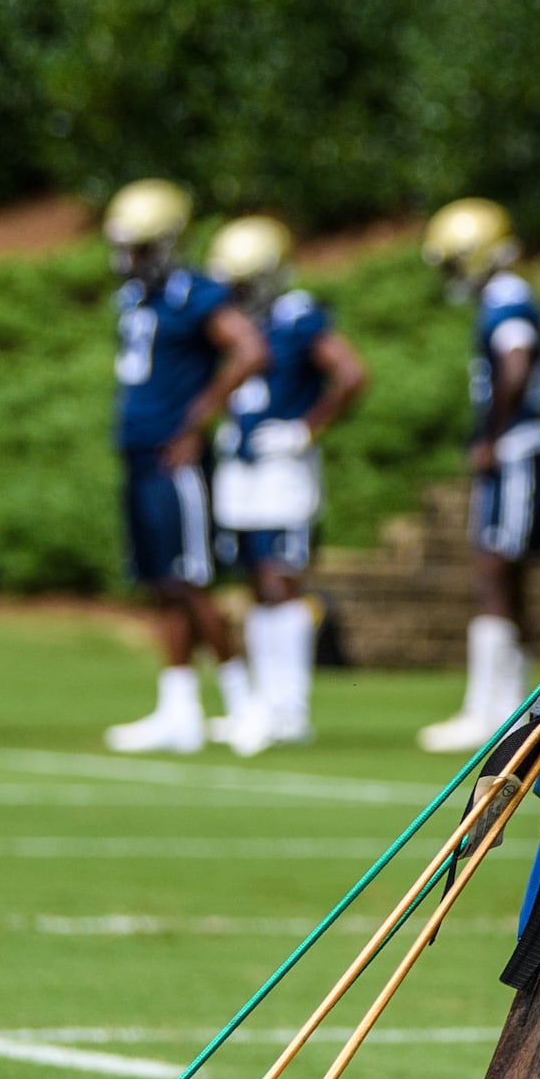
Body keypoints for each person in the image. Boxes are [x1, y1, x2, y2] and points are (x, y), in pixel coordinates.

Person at [100, 180, 268, 755]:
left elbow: (249, 349)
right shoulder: (139, 299)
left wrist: (197, 419)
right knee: (162, 584)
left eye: (142, 248)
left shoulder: (194, 293)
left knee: (193, 582)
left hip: (177, 458)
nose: (130, 259)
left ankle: (245, 706)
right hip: (141, 453)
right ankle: (179, 710)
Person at [203, 217, 368, 753]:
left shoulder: (297, 316)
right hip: (243, 464)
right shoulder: (234, 324)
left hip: (282, 468)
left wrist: (306, 428)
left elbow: (350, 373)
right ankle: (265, 706)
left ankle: (290, 707)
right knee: (256, 583)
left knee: (280, 581)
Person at [417, 198, 540, 754]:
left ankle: (492, 710)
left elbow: (516, 360)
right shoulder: (504, 298)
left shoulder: (508, 299)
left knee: (493, 569)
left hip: (518, 451)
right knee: (503, 573)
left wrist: (491, 435)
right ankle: (510, 706)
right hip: (519, 450)